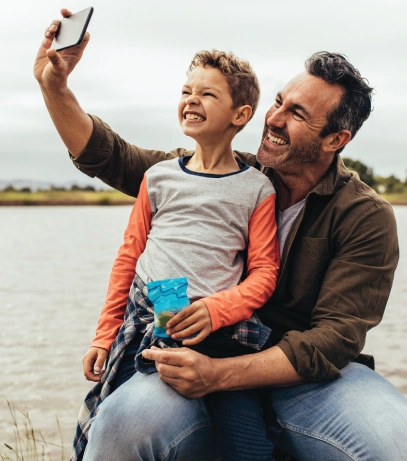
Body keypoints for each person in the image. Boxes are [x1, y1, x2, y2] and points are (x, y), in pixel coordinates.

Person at [35, 9, 407, 461]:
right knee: (118, 427)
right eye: (278, 101)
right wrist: (55, 86)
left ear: (335, 139)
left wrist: (220, 374)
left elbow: (333, 339)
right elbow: (111, 157)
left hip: (309, 380)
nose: (274, 117)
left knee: (393, 443)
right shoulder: (221, 174)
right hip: (194, 352)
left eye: (297, 113)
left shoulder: (366, 216)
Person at [79, 48, 280, 461]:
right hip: (147, 327)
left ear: (240, 116)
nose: (191, 100)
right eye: (186, 91)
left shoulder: (258, 189)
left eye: (207, 94)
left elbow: (264, 272)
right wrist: (104, 335)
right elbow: (128, 258)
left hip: (222, 337)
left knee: (251, 448)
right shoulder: (158, 177)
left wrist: (215, 310)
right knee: (111, 423)